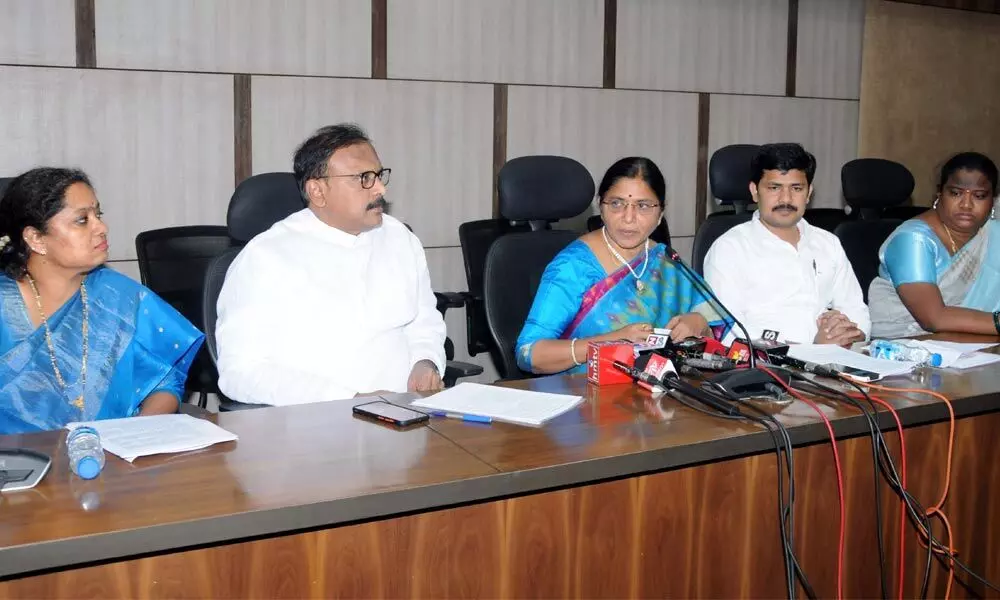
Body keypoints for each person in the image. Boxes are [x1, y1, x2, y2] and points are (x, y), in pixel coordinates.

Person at [215, 124, 446, 405]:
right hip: (314, 426)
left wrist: (426, 363)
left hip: (408, 416)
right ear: (318, 191)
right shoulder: (266, 258)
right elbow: (240, 372)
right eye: (364, 178)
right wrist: (349, 399)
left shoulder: (400, 239)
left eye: (379, 175)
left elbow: (424, 324)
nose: (380, 189)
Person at [0, 168, 203, 434]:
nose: (102, 228)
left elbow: (166, 380)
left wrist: (138, 431)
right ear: (36, 238)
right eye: (82, 220)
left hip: (114, 458)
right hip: (18, 466)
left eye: (98, 215)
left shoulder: (118, 296)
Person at [515, 157, 731, 375]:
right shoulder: (573, 266)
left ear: (660, 214)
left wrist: (700, 322)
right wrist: (611, 340)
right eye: (617, 204)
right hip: (582, 394)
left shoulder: (666, 260)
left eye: (643, 206)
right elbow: (530, 354)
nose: (628, 218)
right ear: (601, 206)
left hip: (657, 393)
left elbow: (717, 329)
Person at [703, 143, 870, 345]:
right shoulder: (729, 249)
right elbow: (729, 335)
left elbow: (856, 311)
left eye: (797, 188)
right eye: (774, 188)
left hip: (838, 361)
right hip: (767, 370)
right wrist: (813, 350)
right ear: (755, 191)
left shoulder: (828, 243)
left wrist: (846, 331)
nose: (786, 199)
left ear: (809, 193)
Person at [870, 152, 1000, 337]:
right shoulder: (912, 240)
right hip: (905, 346)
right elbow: (934, 318)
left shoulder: (993, 234)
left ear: (992, 200)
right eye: (956, 193)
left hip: (976, 345)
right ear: (940, 194)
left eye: (979, 196)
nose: (966, 204)